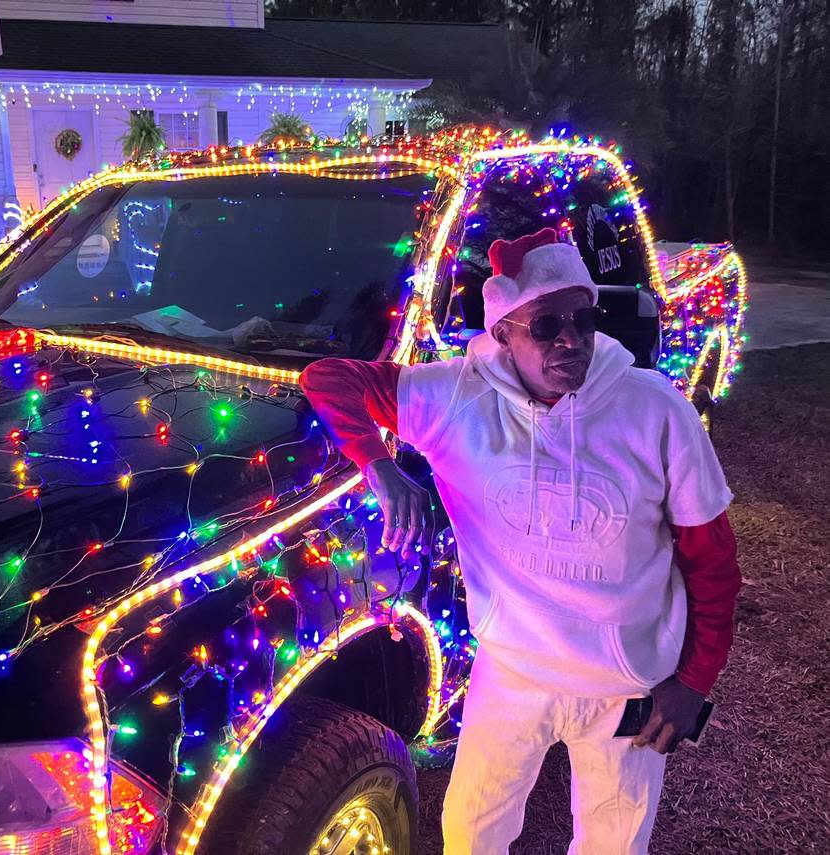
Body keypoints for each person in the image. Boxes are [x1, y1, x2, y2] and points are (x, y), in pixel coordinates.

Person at [299, 227, 741, 855]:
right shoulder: (456, 396)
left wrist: (693, 680)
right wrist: (380, 465)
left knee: (614, 844)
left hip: (625, 680)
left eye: (583, 319)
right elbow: (328, 377)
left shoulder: (655, 410)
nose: (570, 338)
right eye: (546, 324)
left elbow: (713, 562)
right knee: (471, 832)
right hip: (511, 668)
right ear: (504, 332)